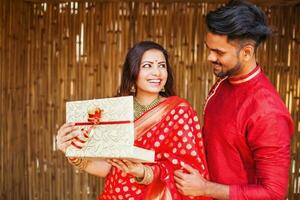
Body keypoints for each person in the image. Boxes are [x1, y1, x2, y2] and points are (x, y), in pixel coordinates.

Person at [56, 41, 212, 200]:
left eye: (162, 65)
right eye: (147, 66)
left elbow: (187, 173)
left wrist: (143, 172)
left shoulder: (178, 110)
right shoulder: (115, 111)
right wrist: (74, 154)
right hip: (115, 195)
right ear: (133, 71)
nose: (157, 72)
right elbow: (111, 168)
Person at [174, 1, 294, 200]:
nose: (210, 57)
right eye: (209, 48)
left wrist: (205, 188)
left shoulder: (267, 111)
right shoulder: (224, 82)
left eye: (219, 52)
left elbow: (273, 193)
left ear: (246, 52)